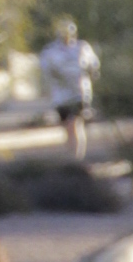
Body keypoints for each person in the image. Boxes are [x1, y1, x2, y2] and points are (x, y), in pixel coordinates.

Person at [38, 17, 99, 157]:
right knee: (67, 126)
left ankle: (78, 155)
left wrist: (88, 76)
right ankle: (71, 154)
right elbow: (46, 70)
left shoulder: (82, 48)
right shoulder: (51, 51)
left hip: (79, 92)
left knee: (75, 123)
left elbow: (94, 67)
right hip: (61, 95)